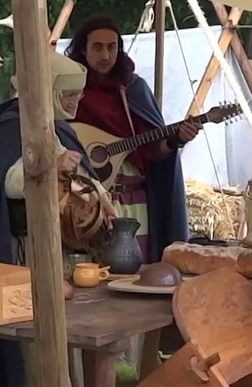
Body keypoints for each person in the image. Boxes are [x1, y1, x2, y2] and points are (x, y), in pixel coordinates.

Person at [0, 51, 116, 387]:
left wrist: (100, 195)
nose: (74, 104)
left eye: (78, 96)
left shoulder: (59, 128)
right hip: (18, 253)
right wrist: (51, 163)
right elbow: (10, 182)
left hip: (51, 250)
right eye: (67, 96)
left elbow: (81, 177)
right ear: (47, 92)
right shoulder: (14, 127)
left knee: (60, 334)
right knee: (30, 339)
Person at [64, 16, 192, 263]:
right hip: (90, 205)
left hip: (136, 203)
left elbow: (153, 154)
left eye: (112, 47)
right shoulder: (71, 92)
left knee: (136, 270)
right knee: (93, 272)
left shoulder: (133, 89)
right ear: (83, 49)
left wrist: (175, 140)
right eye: (97, 47)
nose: (106, 55)